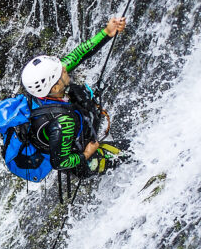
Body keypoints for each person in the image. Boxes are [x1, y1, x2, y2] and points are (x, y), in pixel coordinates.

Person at [20, 16, 128, 176]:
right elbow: (59, 162)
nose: (65, 68)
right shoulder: (63, 122)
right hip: (82, 161)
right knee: (132, 151)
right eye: (60, 71)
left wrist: (107, 32)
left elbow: (78, 55)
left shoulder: (45, 91)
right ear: (55, 86)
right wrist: (87, 154)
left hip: (66, 136)